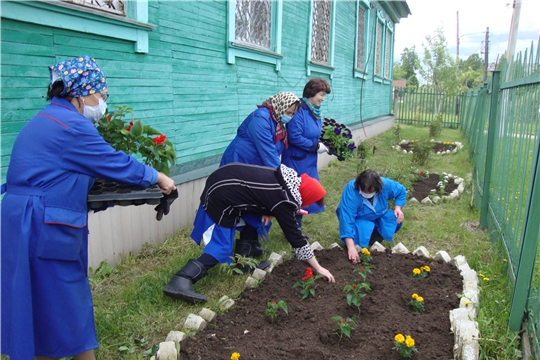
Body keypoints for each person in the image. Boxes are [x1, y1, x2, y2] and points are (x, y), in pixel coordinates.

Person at [0, 56, 176, 360]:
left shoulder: (44, 119)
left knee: (40, 308)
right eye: (101, 95)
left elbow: (61, 176)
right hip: (44, 226)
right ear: (81, 94)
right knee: (68, 304)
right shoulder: (72, 126)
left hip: (20, 222)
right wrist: (157, 176)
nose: (103, 102)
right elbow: (114, 162)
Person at [163, 163, 336, 303]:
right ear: (304, 196)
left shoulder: (286, 181)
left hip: (223, 179)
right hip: (222, 194)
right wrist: (318, 267)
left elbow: (266, 197)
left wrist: (276, 211)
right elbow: (295, 238)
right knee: (222, 247)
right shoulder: (283, 200)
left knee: (256, 219)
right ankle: (182, 279)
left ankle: (242, 262)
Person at [220, 92, 301, 259]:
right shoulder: (261, 119)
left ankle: (250, 245)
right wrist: (284, 182)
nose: (290, 117)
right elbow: (269, 154)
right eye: (289, 112)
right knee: (251, 203)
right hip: (241, 162)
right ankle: (239, 252)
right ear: (280, 105)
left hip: (256, 164)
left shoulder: (277, 121)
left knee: (259, 203)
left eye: (293, 114)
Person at [282, 78, 331, 228]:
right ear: (312, 93)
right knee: (296, 192)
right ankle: (294, 229)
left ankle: (296, 228)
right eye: (321, 95)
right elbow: (294, 136)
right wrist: (314, 146)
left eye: (324, 95)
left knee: (305, 193)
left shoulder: (314, 112)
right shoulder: (299, 112)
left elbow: (314, 133)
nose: (323, 99)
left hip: (308, 160)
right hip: (296, 160)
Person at [336, 169, 406, 263]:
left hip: (379, 216)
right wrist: (351, 247)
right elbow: (347, 219)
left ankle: (375, 238)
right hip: (360, 220)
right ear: (358, 185)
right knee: (361, 230)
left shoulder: (386, 184)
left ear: (378, 188)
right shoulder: (351, 190)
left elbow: (401, 191)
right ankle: (355, 241)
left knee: (393, 218)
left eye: (371, 191)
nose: (367, 193)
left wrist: (398, 208)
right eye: (364, 190)